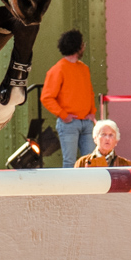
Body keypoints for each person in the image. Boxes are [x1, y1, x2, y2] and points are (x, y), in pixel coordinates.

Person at [41, 29, 96, 167]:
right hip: (69, 123)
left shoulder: (84, 68)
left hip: (84, 122)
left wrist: (92, 113)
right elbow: (47, 97)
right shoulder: (58, 70)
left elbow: (90, 93)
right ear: (78, 46)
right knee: (70, 162)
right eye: (82, 44)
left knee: (89, 162)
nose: (84, 46)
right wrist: (64, 115)